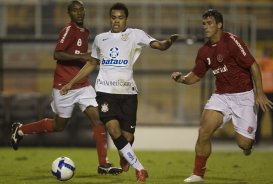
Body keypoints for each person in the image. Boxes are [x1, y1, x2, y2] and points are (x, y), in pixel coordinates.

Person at [60, 2, 178, 182]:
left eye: (120, 18)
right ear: (110, 18)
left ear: (126, 19)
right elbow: (91, 63)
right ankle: (140, 169)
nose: (116, 21)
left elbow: (158, 45)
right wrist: (70, 83)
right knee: (113, 129)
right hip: (105, 92)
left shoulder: (135, 34)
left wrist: (168, 43)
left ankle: (125, 155)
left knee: (128, 137)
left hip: (128, 93)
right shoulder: (100, 39)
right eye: (114, 17)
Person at [10, 0, 122, 175]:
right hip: (64, 86)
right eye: (75, 10)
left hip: (83, 85)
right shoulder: (68, 30)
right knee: (59, 126)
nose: (79, 13)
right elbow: (57, 53)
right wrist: (83, 56)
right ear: (69, 13)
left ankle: (103, 164)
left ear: (84, 11)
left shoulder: (85, 31)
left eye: (81, 10)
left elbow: (82, 58)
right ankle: (21, 129)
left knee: (99, 120)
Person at [171, 9, 273, 183]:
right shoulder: (204, 51)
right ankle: (198, 174)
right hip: (222, 97)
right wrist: (182, 79)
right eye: (204, 23)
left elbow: (253, 65)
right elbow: (196, 75)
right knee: (204, 131)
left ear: (219, 25)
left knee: (244, 143)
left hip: (244, 97)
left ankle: (248, 146)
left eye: (210, 23)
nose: (206, 27)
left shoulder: (232, 41)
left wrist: (260, 93)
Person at [256, 46, 273, 145]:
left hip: (261, 93)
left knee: (258, 118)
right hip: (272, 93)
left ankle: (256, 140)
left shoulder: (258, 61)